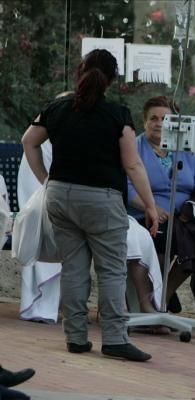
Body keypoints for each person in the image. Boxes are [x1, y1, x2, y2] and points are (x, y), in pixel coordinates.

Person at [21, 49, 158, 361]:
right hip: (102, 199)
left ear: (80, 72)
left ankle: (76, 337)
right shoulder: (117, 115)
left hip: (60, 196)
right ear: (110, 80)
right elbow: (133, 165)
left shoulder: (57, 108)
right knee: (111, 269)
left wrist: (46, 179)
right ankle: (114, 338)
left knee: (73, 267)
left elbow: (29, 140)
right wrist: (150, 205)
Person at [17, 139, 163, 323]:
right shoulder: (50, 134)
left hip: (99, 208)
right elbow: (30, 145)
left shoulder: (102, 129)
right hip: (60, 208)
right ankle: (82, 313)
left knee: (137, 236)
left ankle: (142, 305)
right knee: (81, 240)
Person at [127, 95, 195, 312]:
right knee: (165, 236)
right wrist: (150, 206)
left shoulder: (184, 149)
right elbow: (125, 187)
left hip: (184, 217)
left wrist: (188, 211)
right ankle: (157, 301)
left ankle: (162, 296)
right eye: (153, 118)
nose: (159, 123)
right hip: (144, 215)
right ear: (144, 121)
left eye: (165, 119)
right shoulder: (134, 148)